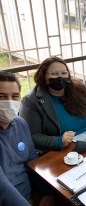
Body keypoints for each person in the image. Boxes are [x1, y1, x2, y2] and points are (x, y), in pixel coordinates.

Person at [20, 57, 86, 151]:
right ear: (43, 76)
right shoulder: (31, 101)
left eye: (64, 73)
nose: (60, 77)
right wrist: (58, 141)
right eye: (54, 74)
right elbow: (32, 136)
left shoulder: (78, 87)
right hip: (66, 151)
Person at [0, 72, 37, 203]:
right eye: (1, 97)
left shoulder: (21, 124)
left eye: (14, 96)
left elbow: (33, 162)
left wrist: (46, 194)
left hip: (30, 195)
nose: (9, 102)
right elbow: (2, 188)